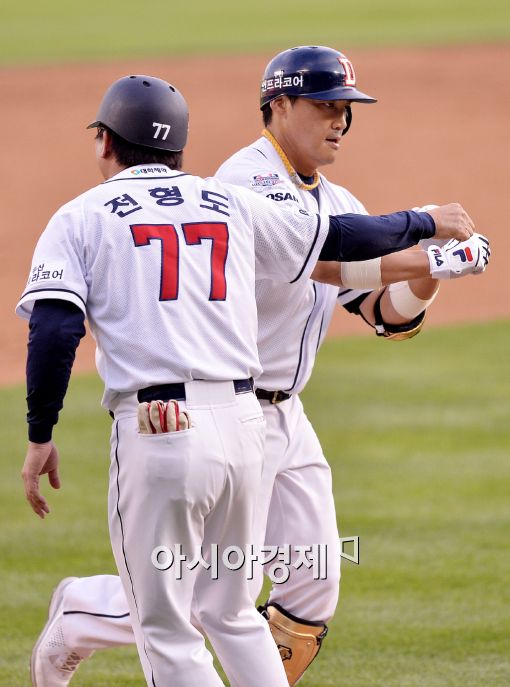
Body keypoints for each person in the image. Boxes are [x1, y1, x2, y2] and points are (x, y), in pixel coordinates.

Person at [21, 55, 489, 687]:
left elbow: (385, 313)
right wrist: (421, 246)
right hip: (231, 414)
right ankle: (83, 612)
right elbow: (321, 258)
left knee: (304, 583)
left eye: (345, 109)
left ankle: (90, 614)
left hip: (267, 416)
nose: (339, 120)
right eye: (325, 106)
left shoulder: (335, 201)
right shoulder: (242, 182)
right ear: (278, 105)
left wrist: (434, 268)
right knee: (209, 600)